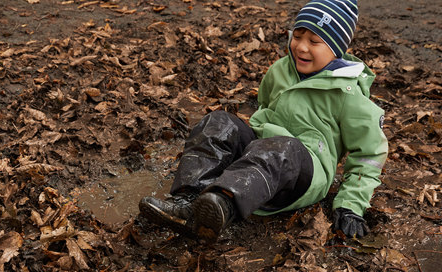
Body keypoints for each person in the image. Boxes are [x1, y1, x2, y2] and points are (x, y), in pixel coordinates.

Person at [139, 0, 387, 243]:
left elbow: (369, 155)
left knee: (282, 148)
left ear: (336, 49)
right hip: (262, 152)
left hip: (303, 169)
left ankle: (220, 206)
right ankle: (187, 200)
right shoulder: (281, 70)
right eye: (298, 36)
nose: (301, 47)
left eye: (314, 41)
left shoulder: (349, 95)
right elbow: (265, 106)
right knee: (219, 122)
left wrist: (350, 206)